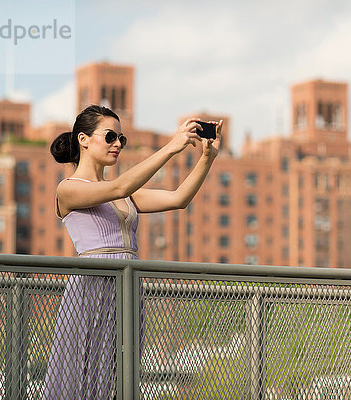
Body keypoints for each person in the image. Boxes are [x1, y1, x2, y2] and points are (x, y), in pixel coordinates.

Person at [43, 105, 222, 398]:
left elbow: (179, 198)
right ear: (83, 139)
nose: (117, 144)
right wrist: (171, 147)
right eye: (111, 136)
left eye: (121, 140)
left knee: (118, 373)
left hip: (127, 288)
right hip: (92, 288)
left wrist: (207, 158)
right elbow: (119, 187)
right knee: (81, 369)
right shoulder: (68, 188)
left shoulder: (123, 191)